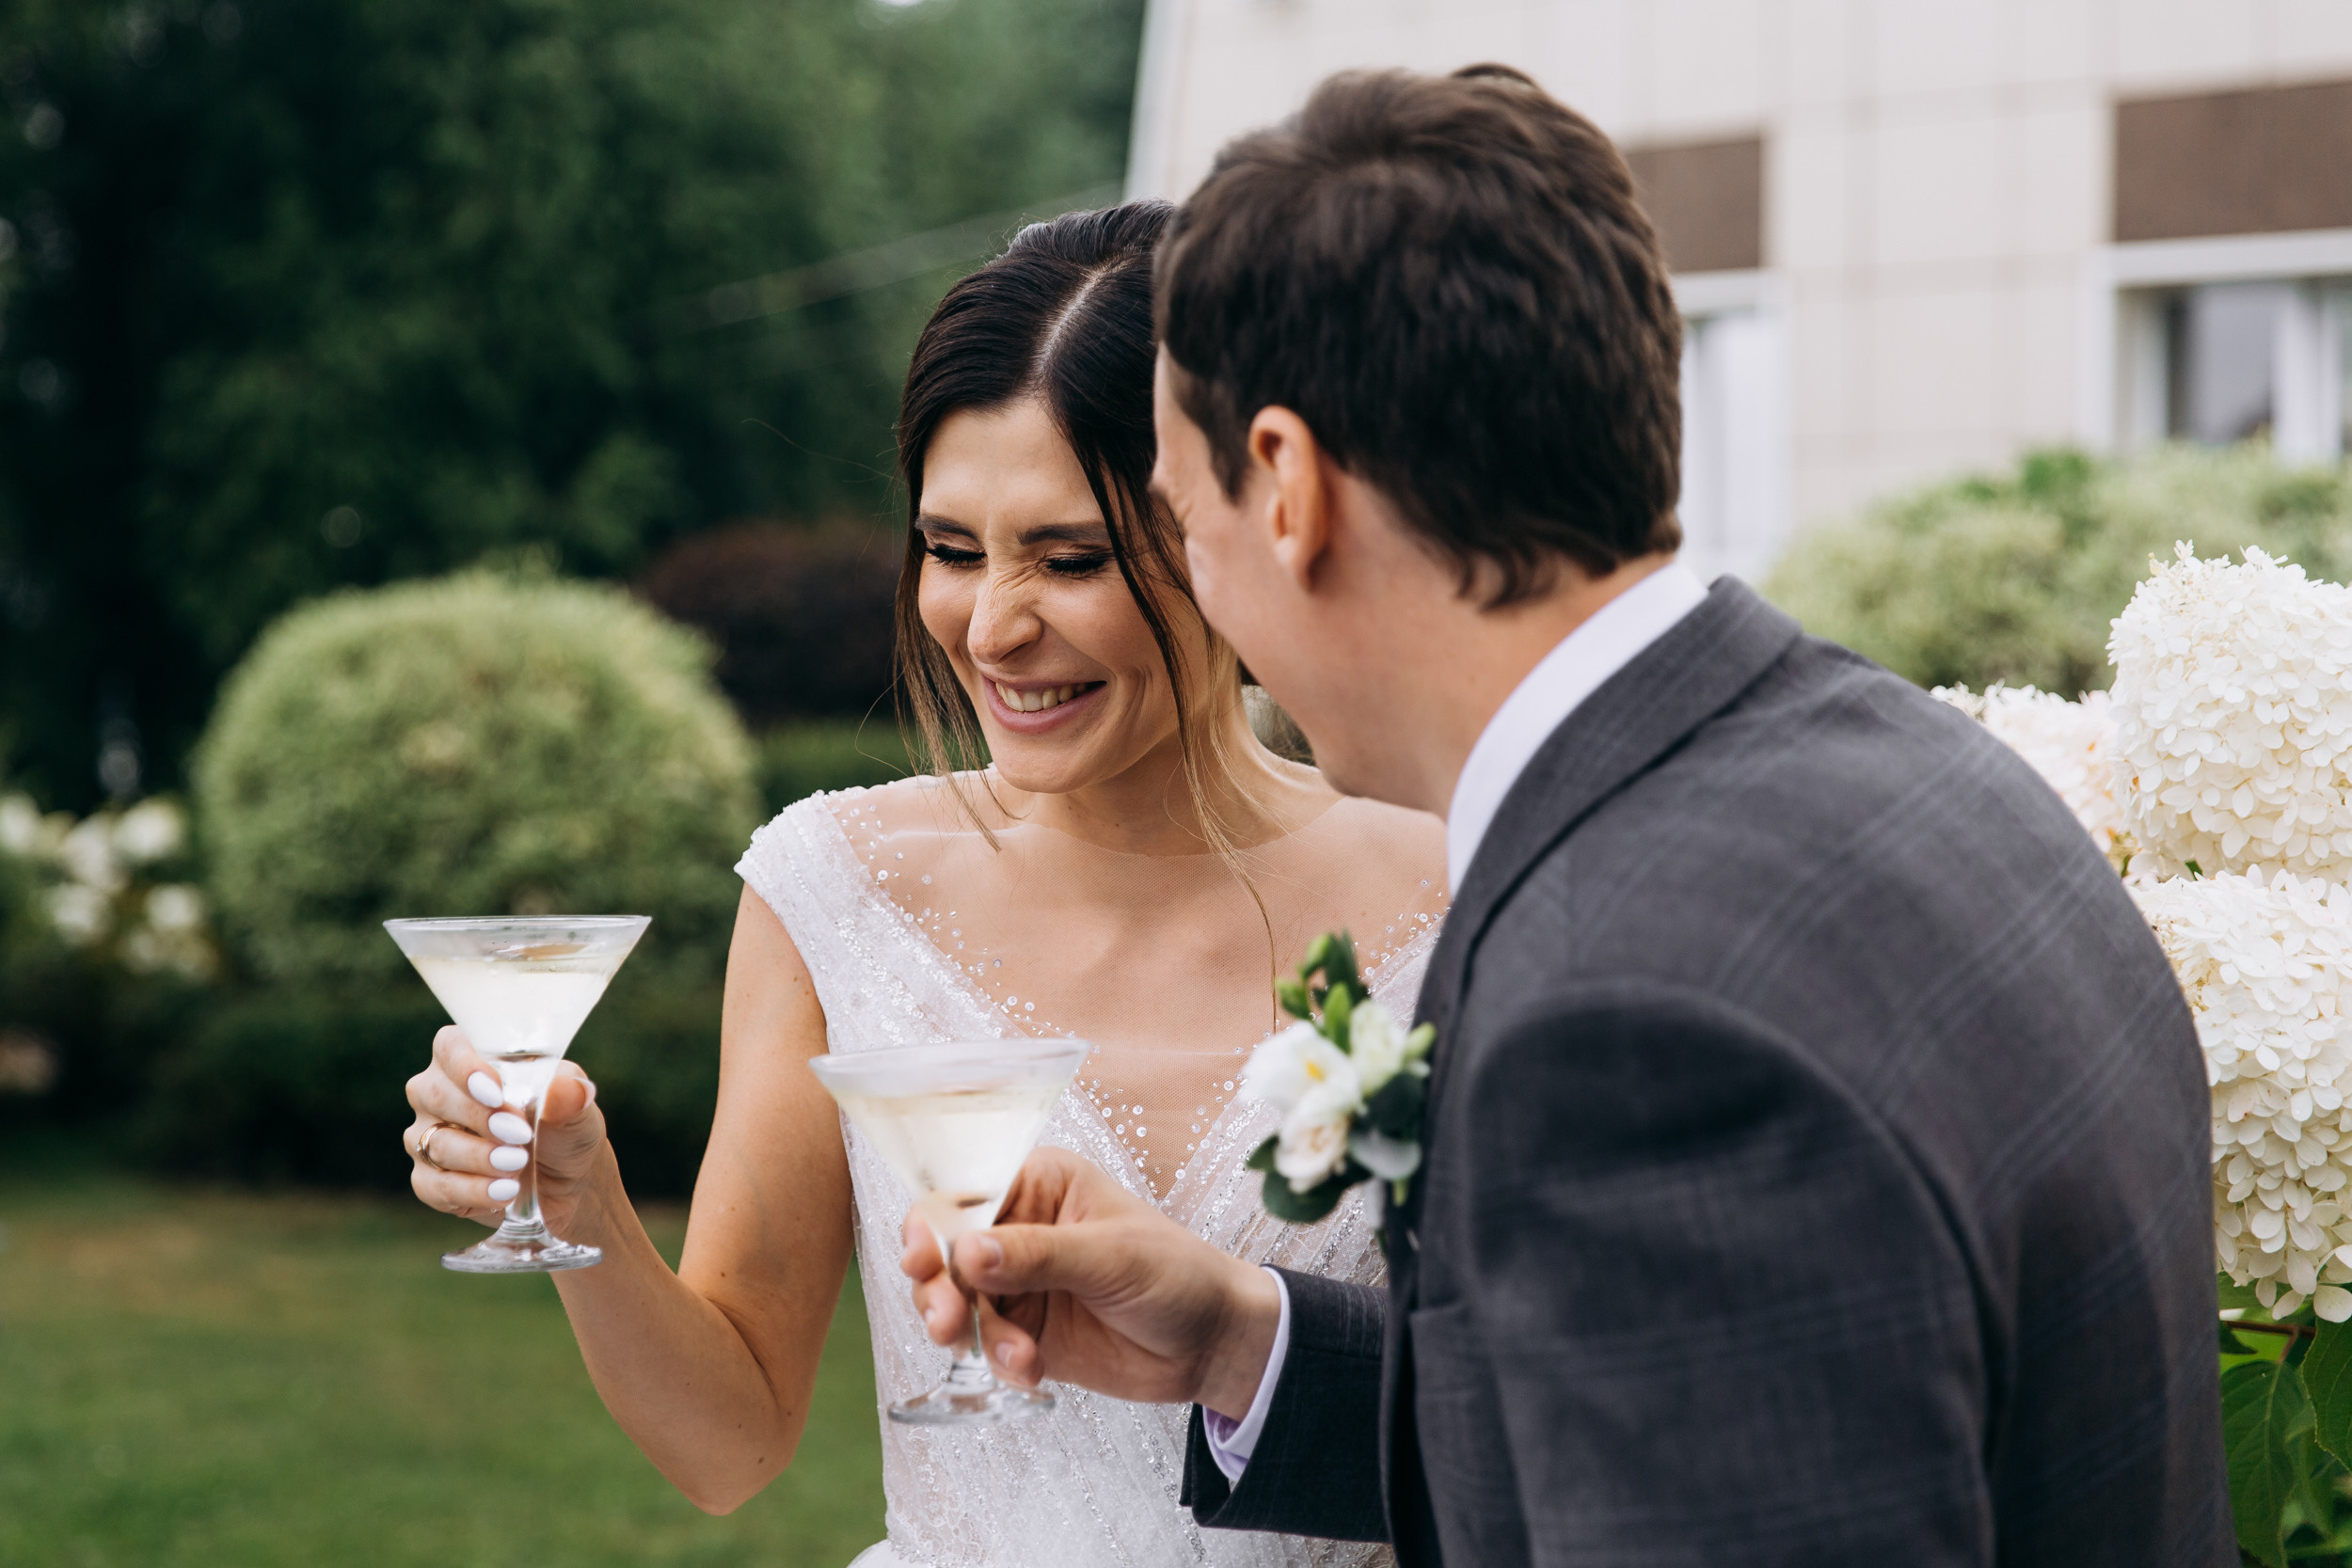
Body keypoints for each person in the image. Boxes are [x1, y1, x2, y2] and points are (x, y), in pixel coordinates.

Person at [903, 67, 2232, 1567]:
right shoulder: (1936, 776)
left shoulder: (1631, 1025)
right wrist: (1234, 1341)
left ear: (1284, 484)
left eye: (1173, 504)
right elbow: (1681, 1413)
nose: (1193, 570)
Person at [397, 200, 1447, 1568]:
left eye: (1071, 559)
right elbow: (728, 1445)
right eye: (952, 549)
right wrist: (584, 1204)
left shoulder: (1449, 891)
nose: (994, 626)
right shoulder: (835, 892)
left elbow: (1534, 1424)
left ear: (1230, 537)